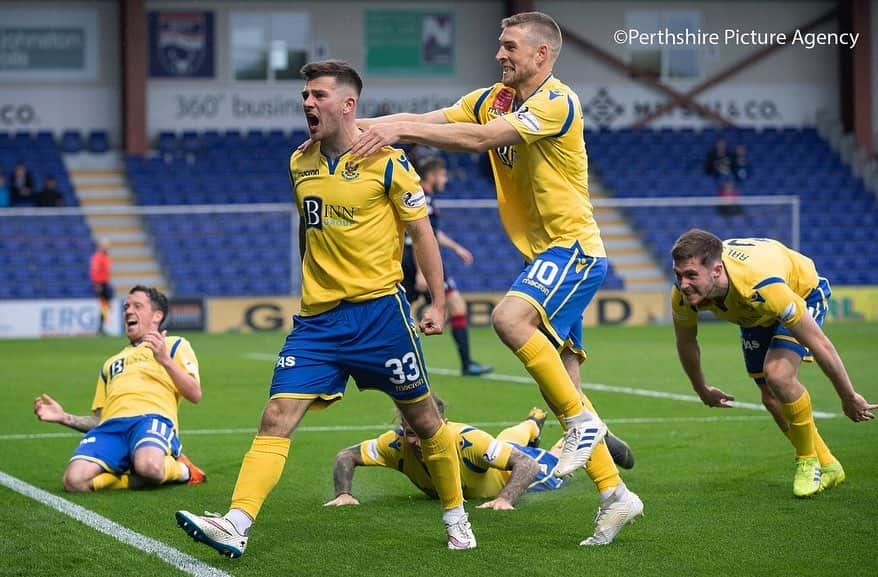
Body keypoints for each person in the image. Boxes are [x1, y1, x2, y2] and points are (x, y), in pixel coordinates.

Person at [350, 11, 642, 545]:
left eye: (510, 46)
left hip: (573, 246)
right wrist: (363, 124)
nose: (500, 55)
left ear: (541, 55)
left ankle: (584, 429)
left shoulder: (557, 100)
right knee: (568, 392)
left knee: (509, 319)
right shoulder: (493, 96)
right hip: (542, 252)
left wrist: (398, 128)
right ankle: (615, 495)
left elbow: (483, 140)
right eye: (500, 46)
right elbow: (438, 118)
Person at [175, 60, 476, 558]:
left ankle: (456, 516)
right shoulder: (299, 162)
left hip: (382, 316)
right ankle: (235, 522)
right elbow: (306, 229)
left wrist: (439, 303)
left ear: (347, 104)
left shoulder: (389, 162)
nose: (308, 103)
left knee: (423, 422)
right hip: (318, 322)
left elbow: (422, 232)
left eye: (318, 95)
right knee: (275, 416)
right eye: (306, 95)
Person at [670, 229, 876, 497]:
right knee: (770, 397)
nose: (683, 283)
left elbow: (820, 343)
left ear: (717, 270)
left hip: (801, 292)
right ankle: (829, 466)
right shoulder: (683, 295)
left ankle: (806, 461)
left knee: (778, 375)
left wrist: (848, 396)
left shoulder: (762, 285)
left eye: (691, 275)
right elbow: (686, 342)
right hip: (755, 313)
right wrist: (702, 389)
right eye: (679, 275)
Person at [33, 286, 206, 492]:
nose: (128, 311)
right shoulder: (111, 363)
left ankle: (184, 470)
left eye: (137, 306)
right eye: (126, 307)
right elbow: (99, 419)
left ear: (157, 315)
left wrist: (165, 360)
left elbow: (195, 394)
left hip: (150, 420)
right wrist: (65, 418)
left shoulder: (174, 345)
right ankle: (135, 475)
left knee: (149, 467)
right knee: (74, 481)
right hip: (111, 428)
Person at [325, 402, 561, 509]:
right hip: (493, 451)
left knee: (561, 466)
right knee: (502, 444)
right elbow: (346, 455)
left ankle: (590, 438)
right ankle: (532, 424)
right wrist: (343, 494)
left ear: (444, 425)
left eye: (426, 433)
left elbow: (528, 465)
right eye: (411, 434)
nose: (419, 442)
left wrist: (505, 499)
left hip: (506, 473)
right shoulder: (396, 445)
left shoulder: (467, 440)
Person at [402, 155, 493, 376]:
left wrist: (456, 248)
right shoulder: (424, 197)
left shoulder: (426, 196)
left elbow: (432, 233)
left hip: (417, 260)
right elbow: (418, 237)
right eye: (442, 174)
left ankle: (466, 363)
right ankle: (466, 364)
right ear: (432, 175)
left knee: (405, 308)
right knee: (450, 305)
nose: (445, 179)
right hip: (418, 261)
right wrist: (423, 274)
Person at [90, 238, 113, 335]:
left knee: (106, 305)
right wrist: (97, 284)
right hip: (100, 283)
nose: (107, 247)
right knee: (104, 305)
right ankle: (101, 327)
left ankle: (102, 326)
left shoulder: (105, 256)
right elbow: (94, 271)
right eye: (105, 245)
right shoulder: (97, 257)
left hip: (105, 282)